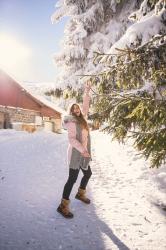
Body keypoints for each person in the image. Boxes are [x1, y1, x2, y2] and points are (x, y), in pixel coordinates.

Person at [57, 82, 92, 219]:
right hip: (76, 154)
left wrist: (87, 92)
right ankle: (62, 206)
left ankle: (80, 193)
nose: (77, 110)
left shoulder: (83, 119)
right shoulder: (72, 122)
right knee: (72, 179)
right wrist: (83, 150)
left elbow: (86, 106)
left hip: (84, 153)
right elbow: (71, 139)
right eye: (74, 109)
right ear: (71, 111)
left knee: (88, 173)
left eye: (78, 108)